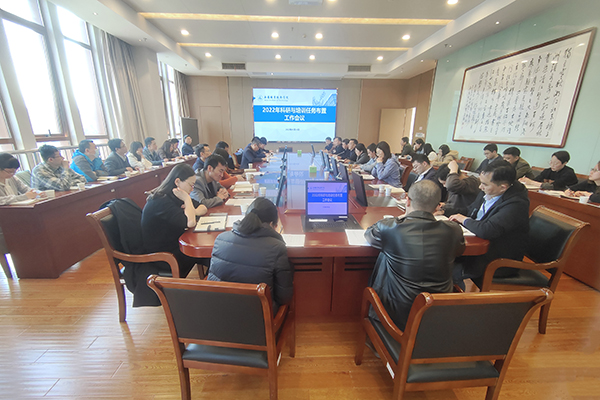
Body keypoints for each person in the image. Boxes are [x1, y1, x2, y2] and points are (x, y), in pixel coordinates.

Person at [364, 180, 465, 331]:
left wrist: (403, 217)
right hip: (438, 311)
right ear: (438, 206)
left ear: (408, 201)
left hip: (397, 315)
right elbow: (459, 250)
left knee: (386, 253)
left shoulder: (390, 228)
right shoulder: (454, 230)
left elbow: (369, 234)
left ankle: (377, 325)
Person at [449, 160, 530, 289]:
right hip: (479, 251)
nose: (480, 187)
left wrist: (463, 219)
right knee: (441, 261)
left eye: (485, 184)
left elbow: (487, 230)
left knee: (447, 272)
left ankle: (456, 300)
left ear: (503, 187)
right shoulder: (490, 190)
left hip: (497, 260)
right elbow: (470, 211)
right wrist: (444, 210)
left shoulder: (517, 204)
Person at [209, 197, 293, 313]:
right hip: (259, 317)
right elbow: (284, 297)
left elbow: (211, 282)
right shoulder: (277, 248)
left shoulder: (221, 239)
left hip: (219, 312)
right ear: (271, 224)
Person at [142, 163, 208, 281]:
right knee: (213, 256)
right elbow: (191, 223)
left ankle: (213, 286)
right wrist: (187, 200)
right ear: (177, 181)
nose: (192, 189)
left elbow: (203, 207)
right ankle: (212, 288)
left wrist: (192, 210)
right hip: (164, 256)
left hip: (176, 244)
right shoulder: (161, 200)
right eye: (191, 185)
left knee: (215, 256)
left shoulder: (175, 195)